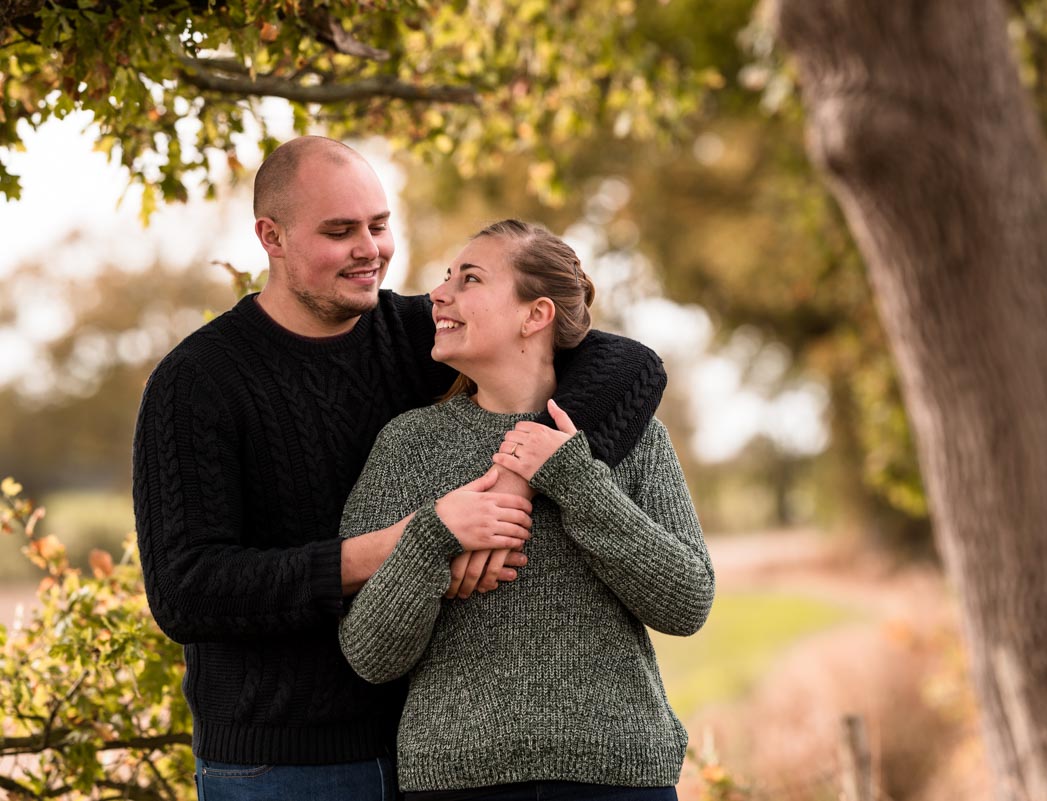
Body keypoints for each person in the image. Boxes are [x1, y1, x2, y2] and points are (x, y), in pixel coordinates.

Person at [131, 138, 667, 800]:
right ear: (271, 236)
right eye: (340, 231)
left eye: (379, 226)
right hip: (284, 763)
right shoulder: (198, 382)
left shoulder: (422, 336)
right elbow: (187, 590)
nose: (370, 248)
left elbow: (626, 362)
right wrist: (403, 544)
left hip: (428, 755)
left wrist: (517, 479)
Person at [338, 219, 714, 800]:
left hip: (618, 774)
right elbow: (369, 655)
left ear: (534, 316)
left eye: (470, 279)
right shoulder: (407, 444)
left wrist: (573, 479)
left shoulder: (631, 436)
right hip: (456, 779)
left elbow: (687, 602)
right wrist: (431, 537)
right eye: (446, 278)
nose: (438, 294)